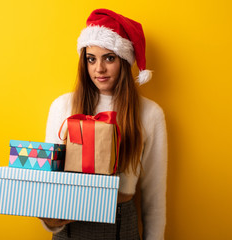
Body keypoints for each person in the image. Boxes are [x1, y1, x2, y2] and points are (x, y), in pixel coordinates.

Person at [40, 8, 167, 240]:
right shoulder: (62, 106)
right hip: (70, 228)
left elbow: (154, 199)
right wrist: (50, 222)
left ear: (124, 60)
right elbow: (49, 185)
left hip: (121, 226)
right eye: (91, 59)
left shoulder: (150, 114)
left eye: (109, 58)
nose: (99, 69)